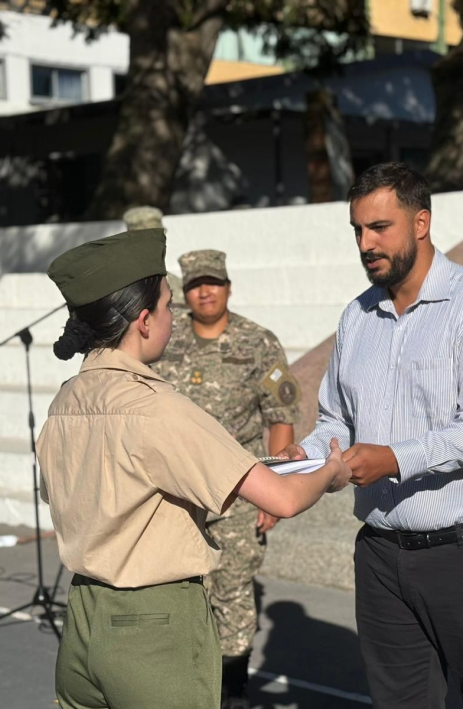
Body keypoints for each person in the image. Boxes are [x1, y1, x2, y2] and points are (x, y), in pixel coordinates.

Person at [36, 228, 351, 709]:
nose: (173, 317)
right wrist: (330, 470)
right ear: (144, 321)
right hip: (153, 631)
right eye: (166, 305)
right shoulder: (157, 407)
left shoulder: (64, 402)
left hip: (82, 621)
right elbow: (283, 500)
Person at [279, 162, 463, 709]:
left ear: (421, 222)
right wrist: (301, 457)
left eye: (380, 227)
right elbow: (336, 420)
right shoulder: (357, 316)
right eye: (357, 230)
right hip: (381, 556)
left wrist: (393, 459)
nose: (365, 243)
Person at [152, 249, 301, 709]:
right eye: (196, 283)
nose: (205, 291)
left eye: (214, 282)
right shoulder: (165, 340)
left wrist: (273, 491)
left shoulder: (258, 343)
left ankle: (232, 692)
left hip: (238, 493)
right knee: (180, 593)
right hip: (177, 496)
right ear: (185, 290)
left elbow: (280, 417)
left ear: (228, 286)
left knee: (233, 592)